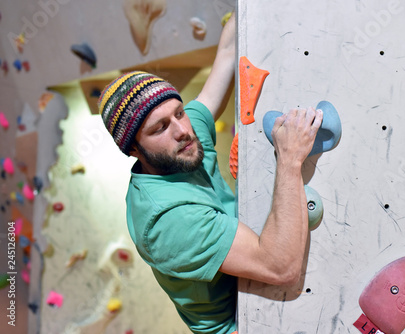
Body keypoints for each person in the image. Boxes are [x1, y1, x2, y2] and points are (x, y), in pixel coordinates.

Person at [97, 13, 323, 334]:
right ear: (133, 149)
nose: (182, 130)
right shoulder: (166, 221)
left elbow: (228, 52)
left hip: (261, 278)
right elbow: (280, 267)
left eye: (179, 112)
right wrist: (289, 158)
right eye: (160, 127)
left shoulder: (182, 140)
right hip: (243, 325)